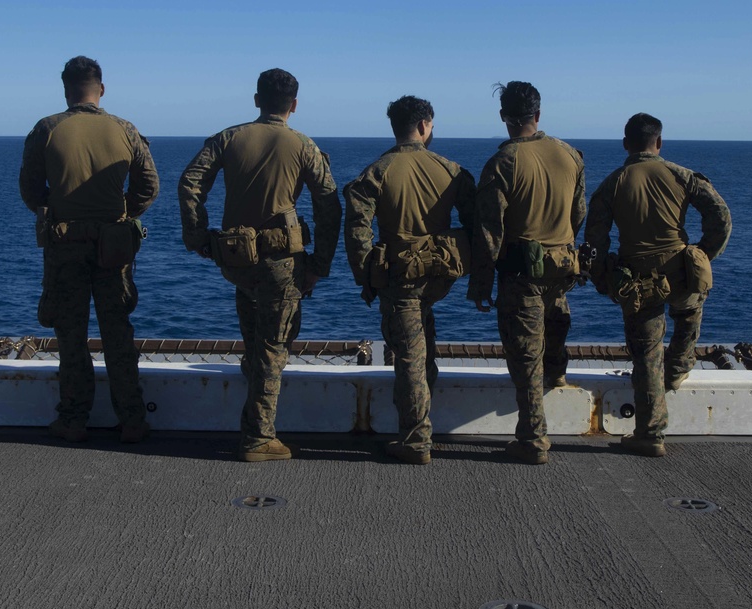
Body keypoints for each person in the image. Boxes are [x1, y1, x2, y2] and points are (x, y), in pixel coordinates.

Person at [178, 68, 342, 463]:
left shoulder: (229, 138)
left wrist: (198, 237)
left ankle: (252, 420)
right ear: (295, 104)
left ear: (257, 100)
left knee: (254, 338)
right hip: (282, 262)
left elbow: (190, 183)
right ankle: (258, 437)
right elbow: (329, 207)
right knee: (274, 344)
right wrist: (320, 264)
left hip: (237, 258)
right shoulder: (303, 146)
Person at [19, 56, 159, 444]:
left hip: (64, 246)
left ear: (66, 89)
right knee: (117, 334)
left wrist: (60, 209)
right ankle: (132, 420)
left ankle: (73, 420)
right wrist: (120, 213)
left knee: (71, 335)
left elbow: (30, 189)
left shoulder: (47, 129)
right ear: (102, 89)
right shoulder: (124, 129)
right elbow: (149, 186)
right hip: (114, 245)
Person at [585, 113, 732, 457]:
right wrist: (703, 253)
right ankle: (678, 370)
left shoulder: (613, 183)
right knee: (689, 312)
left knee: (647, 355)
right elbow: (720, 217)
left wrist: (603, 277)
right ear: (659, 143)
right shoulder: (681, 176)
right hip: (681, 272)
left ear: (626, 144)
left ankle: (650, 434)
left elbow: (595, 239)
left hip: (638, 280)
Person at [344, 96, 476, 465]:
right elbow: (478, 223)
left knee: (409, 357)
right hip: (440, 277)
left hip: (399, 280)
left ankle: (416, 440)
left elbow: (357, 227)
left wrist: (364, 277)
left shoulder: (377, 171)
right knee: (423, 344)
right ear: (423, 126)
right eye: (431, 125)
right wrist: (478, 277)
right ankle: (422, 424)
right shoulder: (452, 170)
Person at [467, 81, 586, 465]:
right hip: (562, 266)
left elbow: (489, 231)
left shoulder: (503, 163)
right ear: (538, 114)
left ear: (504, 117)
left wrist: (481, 283)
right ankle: (559, 376)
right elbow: (578, 213)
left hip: (522, 274)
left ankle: (533, 439)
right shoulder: (571, 155)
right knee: (556, 328)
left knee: (524, 354)